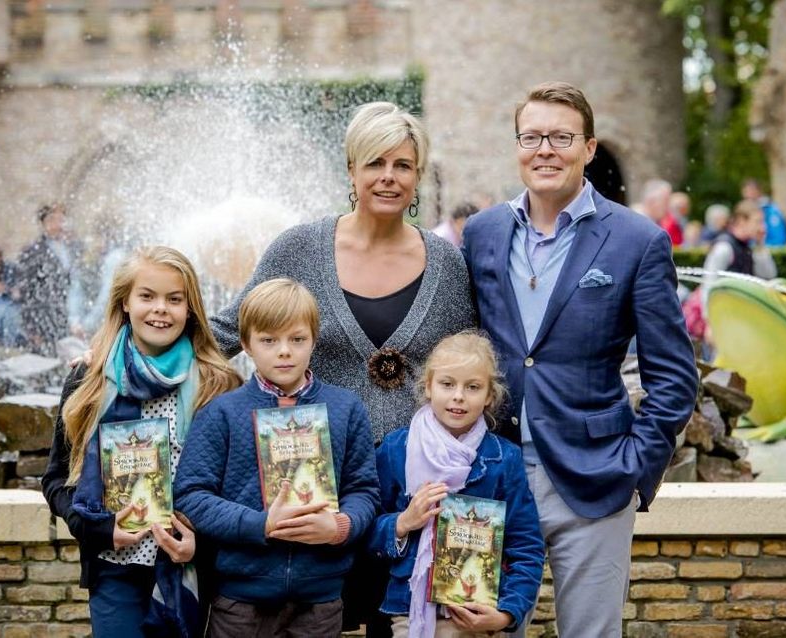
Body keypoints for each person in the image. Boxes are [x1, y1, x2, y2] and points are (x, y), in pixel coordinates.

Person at [209, 102, 475, 635]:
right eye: (374, 163)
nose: (388, 177)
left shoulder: (446, 264)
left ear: (417, 175)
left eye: (402, 165)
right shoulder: (300, 249)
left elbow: (472, 360)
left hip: (413, 488)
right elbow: (229, 329)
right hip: (318, 486)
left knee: (401, 619)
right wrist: (120, 351)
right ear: (351, 169)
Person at [462, 81, 698, 638]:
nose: (545, 149)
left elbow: (673, 375)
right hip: (487, 473)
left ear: (589, 149)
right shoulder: (483, 233)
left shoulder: (636, 240)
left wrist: (637, 467)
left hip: (594, 477)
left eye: (561, 137)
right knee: (480, 631)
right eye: (532, 136)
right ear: (517, 146)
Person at [41, 246, 241, 638]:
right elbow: (56, 481)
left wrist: (200, 545)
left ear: (191, 308)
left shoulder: (217, 383)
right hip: (114, 567)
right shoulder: (89, 379)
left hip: (190, 568)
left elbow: (237, 488)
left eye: (174, 299)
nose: (160, 309)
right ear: (125, 303)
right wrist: (100, 530)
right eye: (147, 296)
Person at [174, 278, 379, 638]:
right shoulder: (222, 413)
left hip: (320, 600)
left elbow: (364, 490)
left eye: (297, 339)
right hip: (240, 602)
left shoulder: (346, 409)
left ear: (314, 339)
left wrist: (340, 527)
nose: (284, 351)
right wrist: (260, 524)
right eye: (269, 340)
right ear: (246, 345)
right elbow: (191, 496)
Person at [370, 331, 544, 637]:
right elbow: (368, 530)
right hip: (410, 611)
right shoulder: (397, 450)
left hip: (477, 615)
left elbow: (526, 547)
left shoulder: (504, 459)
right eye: (447, 384)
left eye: (473, 387)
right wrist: (403, 522)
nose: (458, 396)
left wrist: (506, 614)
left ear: (490, 395)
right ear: (428, 386)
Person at [17, 203, 81, 356]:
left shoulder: (71, 248)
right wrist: (32, 328)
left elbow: (74, 285)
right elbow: (27, 290)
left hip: (65, 316)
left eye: (61, 220)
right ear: (43, 223)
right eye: (52, 220)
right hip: (43, 318)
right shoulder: (33, 252)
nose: (57, 224)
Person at [742, 178, 786, 246]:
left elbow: (779, 239)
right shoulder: (745, 211)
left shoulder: (770, 210)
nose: (749, 195)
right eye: (746, 192)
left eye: (752, 191)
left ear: (759, 191)